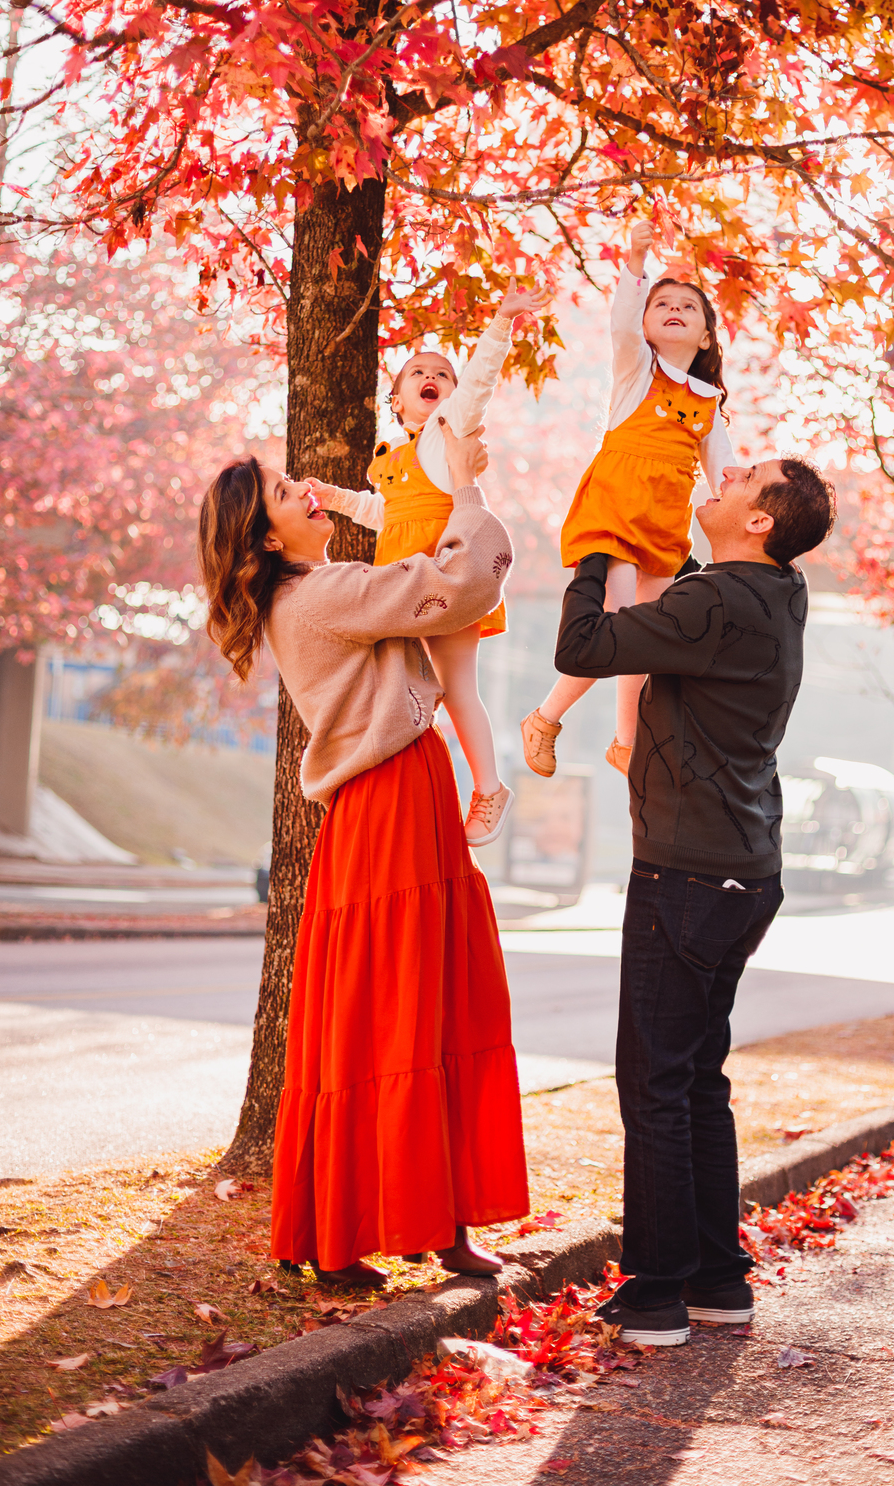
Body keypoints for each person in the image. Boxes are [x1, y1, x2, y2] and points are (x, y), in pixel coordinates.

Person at [198, 421, 528, 1287]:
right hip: (388, 803)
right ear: (270, 536)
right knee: (408, 1008)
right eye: (284, 492)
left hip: (391, 802)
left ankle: (417, 1220)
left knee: (415, 1006)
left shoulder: (309, 591)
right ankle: (371, 1228)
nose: (308, 489)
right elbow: (454, 586)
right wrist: (465, 490)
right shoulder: (321, 593)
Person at [553, 455, 837, 1344]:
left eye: (742, 476)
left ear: (760, 523)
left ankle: (657, 1293)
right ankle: (719, 1279)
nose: (725, 472)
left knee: (657, 1086)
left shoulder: (715, 604)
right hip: (744, 873)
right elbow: (687, 592)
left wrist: (593, 552)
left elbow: (585, 648)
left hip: (684, 875)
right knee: (696, 1080)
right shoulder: (774, 594)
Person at [306, 281, 550, 848]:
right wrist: (338, 499)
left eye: (441, 372)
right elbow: (388, 518)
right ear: (396, 400)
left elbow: (481, 381)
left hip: (444, 581)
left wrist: (503, 320)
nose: (430, 376)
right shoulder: (392, 458)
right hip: (398, 591)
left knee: (457, 686)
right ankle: (411, 793)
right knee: (404, 692)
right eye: (417, 372)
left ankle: (489, 789)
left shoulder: (446, 438)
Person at [521, 217, 735, 779]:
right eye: (661, 304)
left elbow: (725, 477)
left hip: (664, 529)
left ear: (707, 336)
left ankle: (624, 743)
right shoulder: (636, 372)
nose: (674, 310)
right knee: (614, 619)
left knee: (641, 636)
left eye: (689, 308)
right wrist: (636, 265)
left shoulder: (710, 403)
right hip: (617, 511)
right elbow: (620, 327)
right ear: (644, 324)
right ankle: (545, 717)